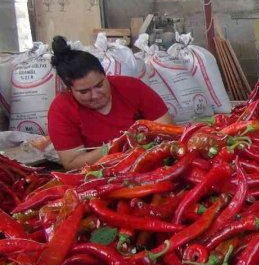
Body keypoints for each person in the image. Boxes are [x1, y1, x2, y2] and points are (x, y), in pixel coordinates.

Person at [48, 36, 173, 170]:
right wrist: (115, 146)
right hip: (102, 175)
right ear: (69, 90)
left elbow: (168, 129)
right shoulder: (61, 109)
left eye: (100, 85)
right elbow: (72, 164)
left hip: (150, 163)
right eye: (84, 92)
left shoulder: (131, 87)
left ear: (105, 75)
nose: (95, 95)